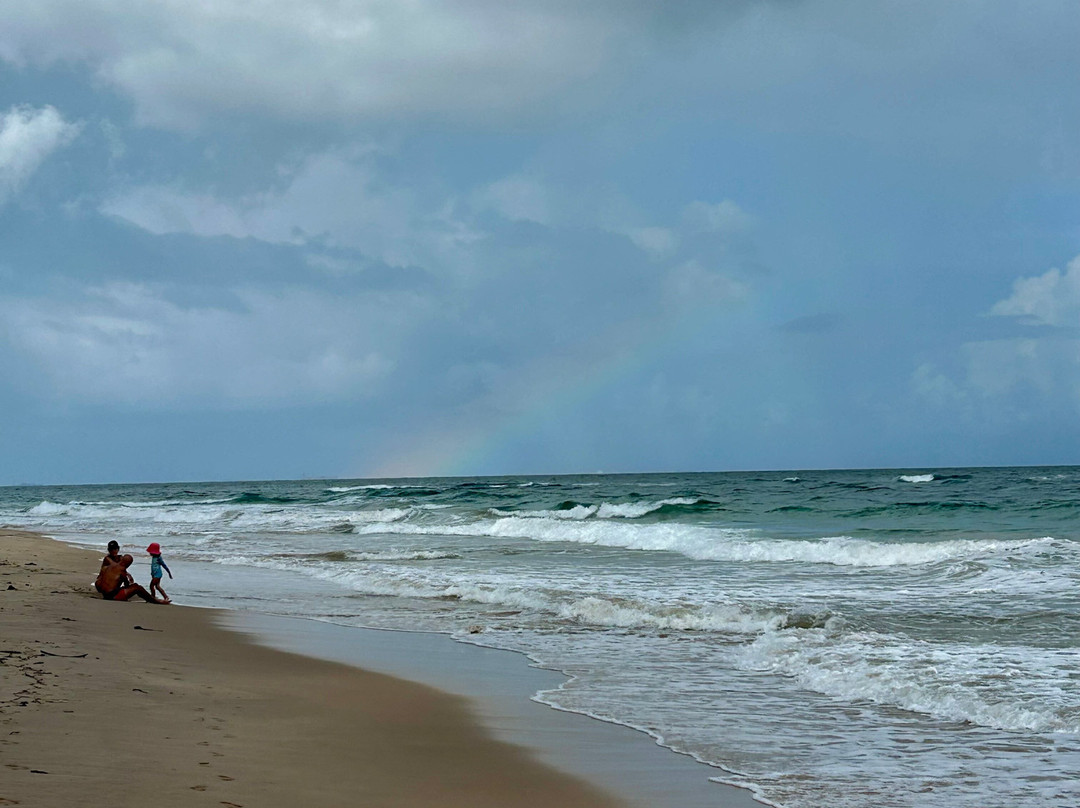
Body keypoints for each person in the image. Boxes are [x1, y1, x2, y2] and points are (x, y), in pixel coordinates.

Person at [94, 553, 162, 603]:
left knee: (134, 586)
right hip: (112, 596)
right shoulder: (122, 570)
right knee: (137, 587)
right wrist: (130, 582)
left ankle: (151, 599)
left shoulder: (111, 565)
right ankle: (153, 600)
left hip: (105, 593)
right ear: (128, 564)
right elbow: (126, 585)